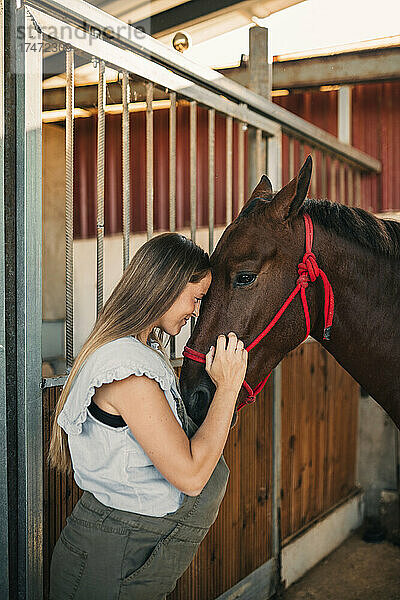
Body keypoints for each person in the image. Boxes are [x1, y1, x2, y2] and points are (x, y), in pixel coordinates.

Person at [48, 232, 247, 600]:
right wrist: (228, 387)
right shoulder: (129, 371)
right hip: (111, 559)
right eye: (196, 298)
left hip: (128, 550)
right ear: (167, 287)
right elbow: (190, 475)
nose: (196, 312)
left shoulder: (144, 353)